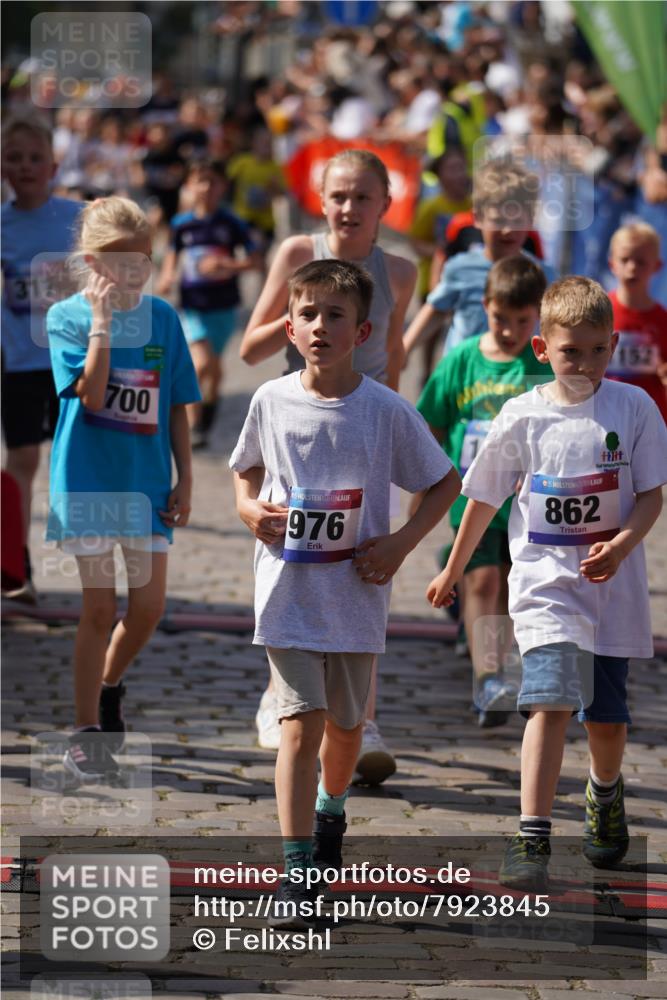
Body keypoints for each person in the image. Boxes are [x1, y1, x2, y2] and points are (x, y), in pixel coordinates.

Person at [230, 259, 460, 923]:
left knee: (346, 726)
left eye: (335, 315)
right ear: (289, 329)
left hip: (356, 592)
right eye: (307, 314)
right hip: (286, 589)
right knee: (299, 724)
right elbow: (245, 469)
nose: (319, 326)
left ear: (362, 332)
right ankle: (297, 869)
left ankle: (330, 810)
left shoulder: (384, 410)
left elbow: (444, 481)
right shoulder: (270, 400)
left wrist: (401, 542)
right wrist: (247, 508)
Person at [427, 277, 667, 890]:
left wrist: (622, 544)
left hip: (612, 593)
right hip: (544, 588)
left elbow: (650, 495)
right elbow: (482, 497)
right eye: (570, 352)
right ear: (542, 349)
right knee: (550, 702)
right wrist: (454, 568)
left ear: (613, 345)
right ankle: (531, 833)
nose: (584, 364)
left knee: (606, 720)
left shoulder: (634, 407)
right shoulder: (523, 416)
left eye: (597, 350)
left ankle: (604, 792)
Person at [239, 148, 417, 781]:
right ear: (321, 201)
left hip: (364, 434)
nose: (349, 207)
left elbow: (393, 352)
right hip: (301, 432)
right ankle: (279, 696)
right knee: (295, 570)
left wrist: (395, 429)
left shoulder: (400, 270)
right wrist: (303, 318)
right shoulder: (297, 253)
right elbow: (250, 346)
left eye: (362, 197)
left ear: (384, 204)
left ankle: (363, 721)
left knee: (363, 573)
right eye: (338, 196)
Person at [46, 196, 200, 783]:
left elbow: (177, 404)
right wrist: (102, 325)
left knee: (149, 607)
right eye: (121, 262)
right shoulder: (65, 317)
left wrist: (186, 477)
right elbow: (90, 395)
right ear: (92, 263)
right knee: (98, 608)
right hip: (87, 483)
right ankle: (86, 730)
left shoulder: (163, 317)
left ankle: (110, 684)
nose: (135, 273)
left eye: (143, 260)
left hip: (146, 486)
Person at [417, 256, 549, 727]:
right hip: (469, 498)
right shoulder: (463, 359)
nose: (510, 331)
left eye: (522, 320)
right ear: (485, 305)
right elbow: (430, 423)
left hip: (525, 504)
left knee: (509, 584)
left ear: (538, 315)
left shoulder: (540, 364)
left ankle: (495, 657)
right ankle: (489, 679)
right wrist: (425, 481)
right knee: (483, 581)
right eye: (500, 318)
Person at [1, 115, 82, 603]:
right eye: (15, 158)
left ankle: (100, 568)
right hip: (20, 363)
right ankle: (16, 567)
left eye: (36, 158)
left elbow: (127, 256)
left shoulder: (79, 217)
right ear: (2, 167)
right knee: (23, 459)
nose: (26, 167)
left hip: (77, 363)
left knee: (79, 463)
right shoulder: (3, 224)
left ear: (53, 166)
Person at [157, 160, 263, 448]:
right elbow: (172, 253)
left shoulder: (232, 223)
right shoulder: (181, 223)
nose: (205, 187)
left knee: (214, 369)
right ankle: (193, 427)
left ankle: (209, 409)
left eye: (212, 181)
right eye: (199, 181)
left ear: (222, 186)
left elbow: (255, 261)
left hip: (224, 307)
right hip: (192, 306)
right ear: (189, 186)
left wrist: (226, 265)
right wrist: (167, 275)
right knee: (200, 364)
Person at [403, 159, 551, 361]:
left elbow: (554, 328)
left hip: (516, 376)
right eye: (498, 220)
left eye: (517, 221)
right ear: (478, 217)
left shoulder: (543, 275)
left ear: (531, 219)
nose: (508, 230)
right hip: (465, 374)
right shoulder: (461, 268)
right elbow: (435, 310)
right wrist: (403, 351)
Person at [408, 147, 471, 386]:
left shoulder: (472, 205)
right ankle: (426, 374)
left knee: (459, 329)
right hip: (433, 280)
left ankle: (454, 375)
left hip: (465, 281)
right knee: (431, 333)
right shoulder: (431, 207)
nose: (458, 174)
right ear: (439, 175)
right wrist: (439, 253)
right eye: (452, 169)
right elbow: (415, 241)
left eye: (461, 168)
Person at [606, 222, 667, 423]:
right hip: (606, 416)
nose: (632, 268)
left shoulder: (662, 319)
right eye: (625, 260)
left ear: (657, 266)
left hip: (650, 421)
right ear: (612, 264)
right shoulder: (598, 312)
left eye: (641, 262)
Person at [226, 126, 287, 264]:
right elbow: (225, 182)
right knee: (252, 254)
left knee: (262, 259)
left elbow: (283, 193)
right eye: (263, 142)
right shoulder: (242, 162)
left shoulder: (275, 167)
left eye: (269, 142)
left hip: (267, 221)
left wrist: (275, 188)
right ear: (254, 143)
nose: (267, 146)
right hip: (245, 218)